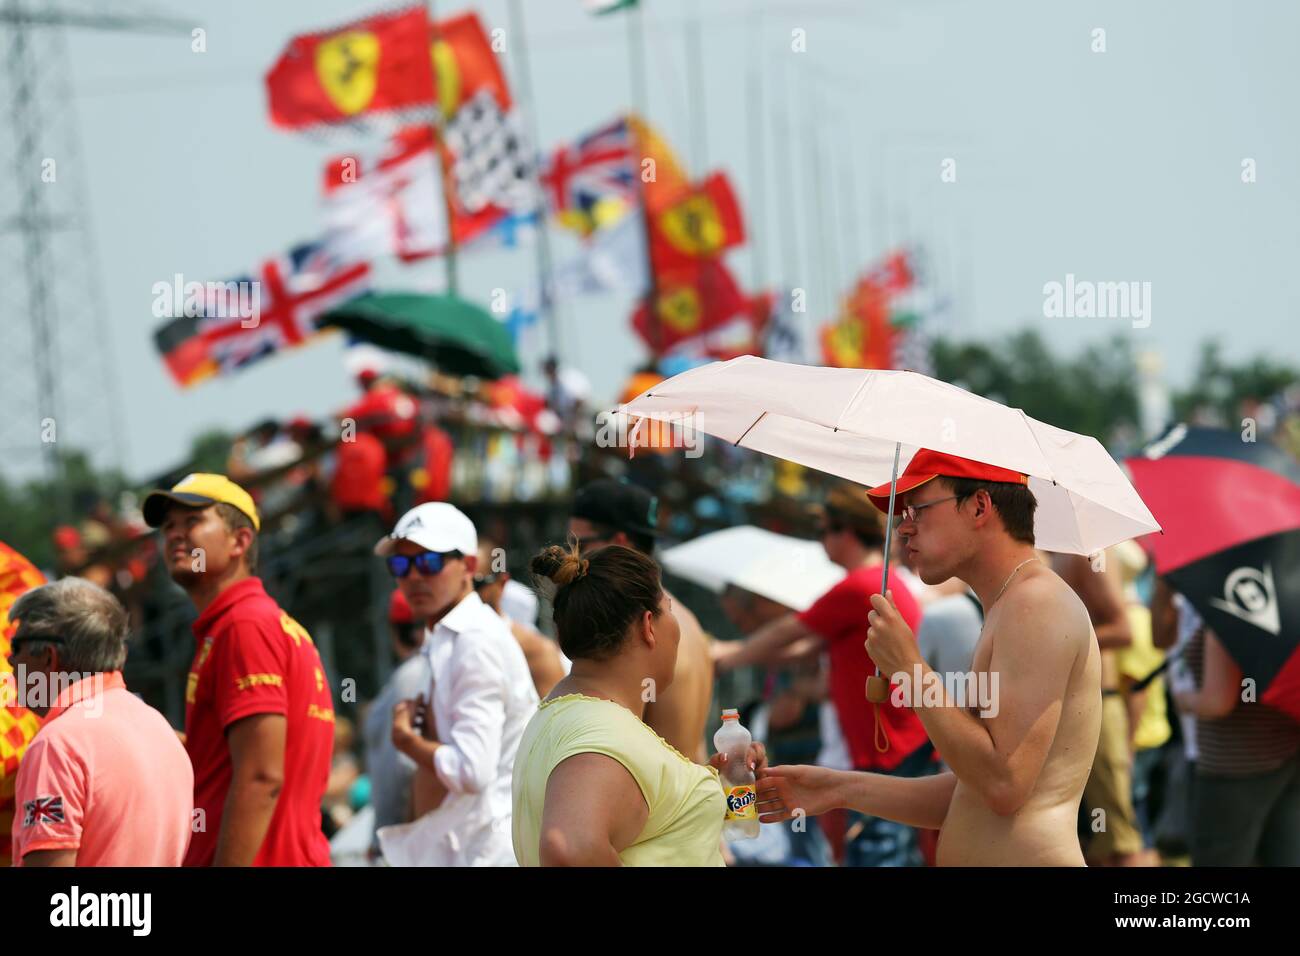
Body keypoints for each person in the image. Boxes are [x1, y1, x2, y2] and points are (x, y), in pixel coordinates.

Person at [756, 449, 1103, 867]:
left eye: (917, 509)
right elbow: (970, 792)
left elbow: (1003, 785)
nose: (903, 529)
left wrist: (911, 670)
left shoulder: (1036, 602)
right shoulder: (1013, 603)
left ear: (979, 506)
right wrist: (836, 788)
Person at [713, 481, 934, 866]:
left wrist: (726, 657)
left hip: (883, 744)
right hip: (893, 740)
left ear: (844, 532)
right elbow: (807, 645)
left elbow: (790, 631)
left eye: (824, 530)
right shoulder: (879, 581)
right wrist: (743, 653)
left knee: (876, 849)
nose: (820, 541)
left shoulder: (859, 585)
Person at [513, 542, 766, 866]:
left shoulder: (566, 716)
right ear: (649, 626)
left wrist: (704, 787)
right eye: (670, 611)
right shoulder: (604, 732)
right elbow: (568, 847)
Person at [143, 473, 334, 866]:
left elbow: (262, 778)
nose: (175, 536)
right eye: (169, 528)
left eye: (193, 521)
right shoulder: (252, 623)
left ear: (240, 541)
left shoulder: (244, 626)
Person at [375, 503, 537, 866]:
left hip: (487, 852)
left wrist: (409, 742)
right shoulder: (451, 636)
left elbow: (471, 771)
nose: (414, 577)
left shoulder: (473, 640)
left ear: (467, 566)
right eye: (401, 565)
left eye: (429, 563)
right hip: (471, 846)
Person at [8, 578, 193, 866]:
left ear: (48, 657)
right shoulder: (159, 726)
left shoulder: (57, 745)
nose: (10, 661)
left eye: (16, 646)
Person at [569, 478, 713, 762]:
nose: (570, 557)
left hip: (661, 804)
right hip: (694, 797)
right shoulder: (686, 620)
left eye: (579, 543)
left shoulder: (632, 629)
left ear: (619, 542)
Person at [1052, 548, 1142, 866]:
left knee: (1117, 839)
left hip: (1098, 706)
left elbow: (1122, 629)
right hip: (1075, 709)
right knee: (1091, 841)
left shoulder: (1089, 551)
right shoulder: (1058, 551)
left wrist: (1053, 643)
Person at [360, 588, 430, 857]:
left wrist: (388, 838)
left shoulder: (411, 675)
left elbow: (401, 766)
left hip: (408, 840)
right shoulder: (417, 670)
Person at [474, 541, 566, 697]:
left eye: (475, 584)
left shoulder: (537, 651)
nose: (466, 592)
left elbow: (560, 717)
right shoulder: (434, 636)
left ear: (501, 582)